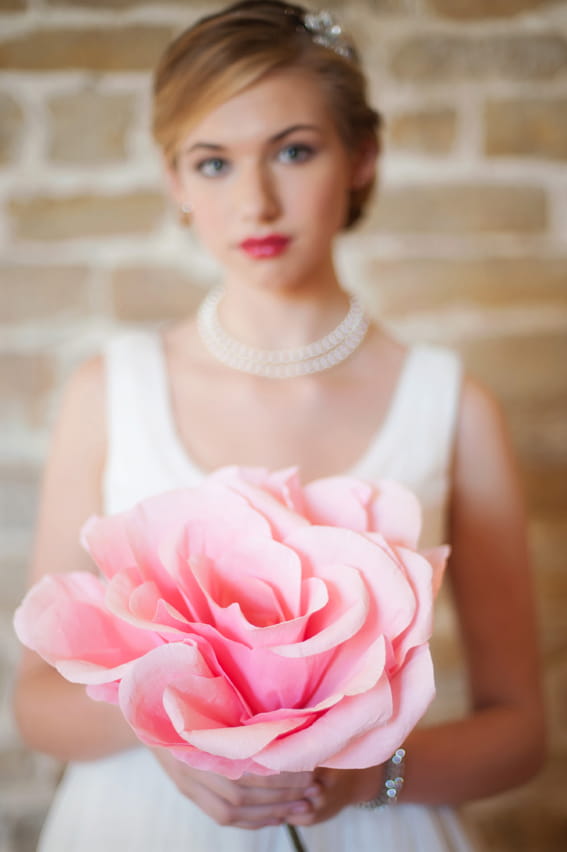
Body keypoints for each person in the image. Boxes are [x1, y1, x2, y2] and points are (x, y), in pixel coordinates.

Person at [12, 2, 545, 850]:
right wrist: (163, 731)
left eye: (293, 151)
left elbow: (518, 730)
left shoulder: (448, 403)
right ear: (175, 182)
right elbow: (36, 698)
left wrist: (369, 776)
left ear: (361, 158)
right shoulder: (110, 390)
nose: (255, 201)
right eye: (212, 162)